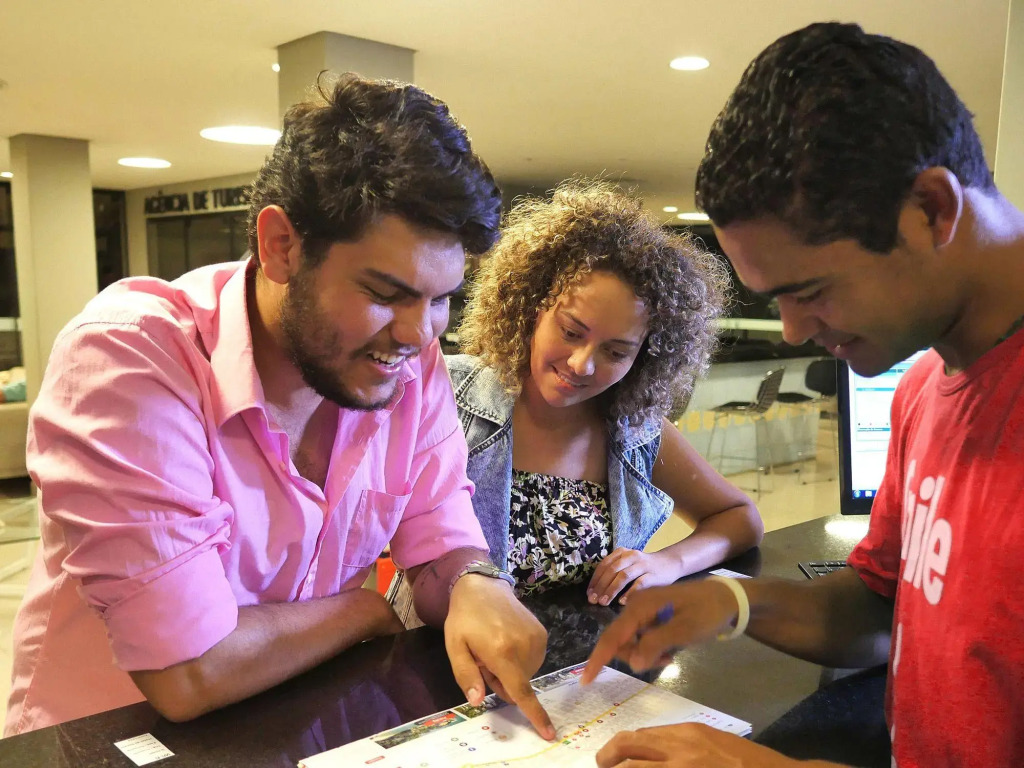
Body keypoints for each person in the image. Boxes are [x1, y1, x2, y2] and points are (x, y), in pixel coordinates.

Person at [5, 73, 553, 740]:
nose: (419, 333)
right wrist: (362, 611)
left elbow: (438, 525)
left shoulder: (406, 358)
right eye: (386, 292)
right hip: (110, 742)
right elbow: (189, 670)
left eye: (440, 299)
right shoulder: (131, 358)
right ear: (281, 247)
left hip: (297, 725)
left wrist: (476, 582)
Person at [585, 21, 1024, 768]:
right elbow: (884, 606)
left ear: (930, 210)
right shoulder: (924, 390)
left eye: (811, 290)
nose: (791, 332)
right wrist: (735, 600)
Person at [451, 179, 763, 603]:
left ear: (644, 357)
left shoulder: (637, 432)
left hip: (586, 648)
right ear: (533, 307)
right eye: (570, 331)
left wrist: (668, 563)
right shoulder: (449, 394)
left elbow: (739, 518)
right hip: (442, 644)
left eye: (616, 352)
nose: (581, 364)